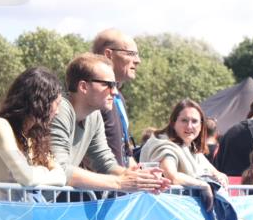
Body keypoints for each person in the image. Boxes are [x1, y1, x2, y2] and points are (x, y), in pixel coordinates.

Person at [50, 54, 168, 193]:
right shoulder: (60, 110)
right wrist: (120, 183)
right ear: (83, 87)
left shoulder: (94, 115)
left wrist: (138, 177)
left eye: (115, 85)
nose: (115, 92)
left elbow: (105, 163)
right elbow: (59, 169)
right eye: (108, 84)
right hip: (29, 202)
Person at [0, 67, 66, 196]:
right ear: (40, 102)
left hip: (18, 207)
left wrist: (33, 173)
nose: (57, 111)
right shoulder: (0, 125)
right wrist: (44, 171)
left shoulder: (34, 137)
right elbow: (26, 177)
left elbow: (61, 177)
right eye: (56, 103)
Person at [138, 99, 229, 192]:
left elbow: (211, 170)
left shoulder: (189, 146)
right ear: (173, 123)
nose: (189, 126)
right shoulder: (164, 145)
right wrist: (203, 185)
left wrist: (219, 175)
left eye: (194, 121)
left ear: (201, 126)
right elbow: (172, 177)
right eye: (184, 120)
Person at [92, 28, 141, 167]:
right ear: (109, 54)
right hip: (102, 179)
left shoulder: (118, 97)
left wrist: (141, 174)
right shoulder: (92, 96)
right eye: (131, 54)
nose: (138, 60)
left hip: (119, 178)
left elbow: (125, 154)